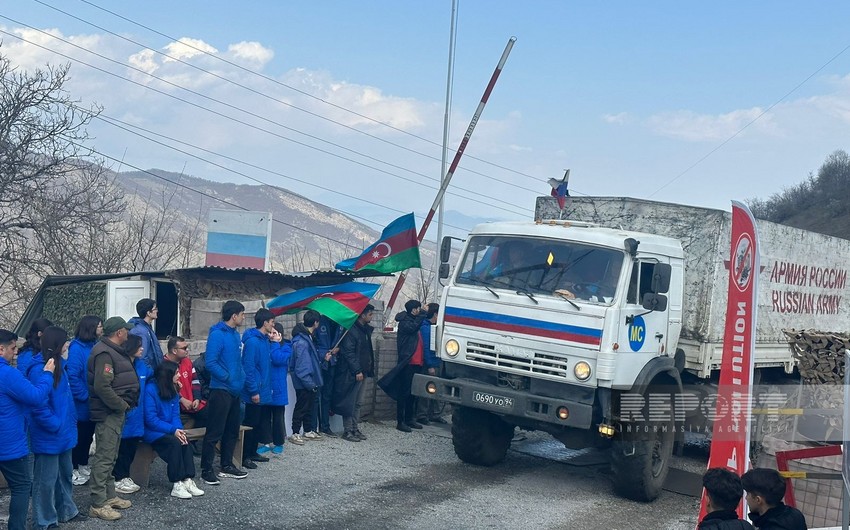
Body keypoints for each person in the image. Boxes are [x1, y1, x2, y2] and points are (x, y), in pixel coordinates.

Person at [27, 326, 86, 529]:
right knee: (46, 481)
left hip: (64, 433)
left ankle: (66, 511)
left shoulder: (61, 365)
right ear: (56, 345)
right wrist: (55, 424)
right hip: (50, 434)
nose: (68, 344)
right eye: (65, 341)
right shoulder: (39, 370)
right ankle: (44, 520)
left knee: (65, 475)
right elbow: (38, 405)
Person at [0, 329, 56, 530]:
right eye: (13, 348)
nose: (15, 353)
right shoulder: (7, 374)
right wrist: (47, 375)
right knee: (22, 486)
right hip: (9, 443)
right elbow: (35, 397)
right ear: (1, 349)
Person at [86, 316, 139, 521]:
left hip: (114, 412)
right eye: (126, 330)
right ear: (119, 333)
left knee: (111, 455)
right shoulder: (105, 353)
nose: (128, 333)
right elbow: (102, 386)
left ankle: (108, 496)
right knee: (104, 457)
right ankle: (98, 503)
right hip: (108, 412)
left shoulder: (112, 351)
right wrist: (121, 404)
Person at [200, 300, 248, 485]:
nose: (244, 317)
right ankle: (206, 469)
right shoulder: (218, 335)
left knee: (232, 430)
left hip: (236, 390)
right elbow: (210, 362)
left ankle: (227, 465)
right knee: (214, 431)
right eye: (242, 314)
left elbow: (238, 361)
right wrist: (227, 377)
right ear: (234, 315)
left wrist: (240, 378)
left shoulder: (236, 336)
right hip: (221, 389)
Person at [143, 361, 204, 499]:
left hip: (169, 429)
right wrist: (173, 430)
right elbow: (151, 419)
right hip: (153, 432)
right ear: (167, 375)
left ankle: (188, 479)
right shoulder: (150, 390)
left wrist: (179, 430)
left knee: (184, 440)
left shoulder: (174, 390)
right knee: (174, 444)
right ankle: (177, 483)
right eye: (176, 373)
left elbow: (176, 415)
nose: (179, 376)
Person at [240, 308, 281, 469]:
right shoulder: (252, 342)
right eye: (272, 322)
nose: (274, 325)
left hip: (262, 388)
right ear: (265, 323)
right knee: (250, 423)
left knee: (258, 423)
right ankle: (244, 456)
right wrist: (253, 390)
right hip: (255, 390)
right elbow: (249, 368)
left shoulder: (264, 340)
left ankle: (252, 452)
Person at [378, 300, 427, 433]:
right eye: (418, 309)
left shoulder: (414, 321)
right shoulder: (405, 322)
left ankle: (410, 418)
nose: (419, 311)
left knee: (413, 393)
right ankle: (401, 421)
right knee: (404, 392)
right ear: (413, 310)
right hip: (407, 362)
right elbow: (413, 327)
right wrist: (423, 314)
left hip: (417, 363)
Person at [112, 334, 150, 495]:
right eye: (139, 345)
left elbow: (153, 375)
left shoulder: (142, 365)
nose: (142, 348)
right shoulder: (120, 364)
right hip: (124, 412)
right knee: (120, 448)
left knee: (131, 447)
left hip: (138, 414)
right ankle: (117, 477)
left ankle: (125, 475)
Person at [67, 315, 102, 486]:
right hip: (82, 402)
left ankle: (82, 463)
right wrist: (84, 395)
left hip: (92, 401)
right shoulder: (76, 348)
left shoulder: (94, 345)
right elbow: (72, 375)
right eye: (99, 326)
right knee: (79, 436)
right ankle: (72, 467)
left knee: (88, 435)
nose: (101, 329)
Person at [334, 304, 375, 442]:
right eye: (370, 314)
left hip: (364, 371)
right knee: (350, 402)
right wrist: (356, 370)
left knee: (358, 402)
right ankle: (348, 430)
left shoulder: (365, 330)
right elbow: (349, 353)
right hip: (353, 373)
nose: (372, 316)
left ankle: (355, 428)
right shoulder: (351, 330)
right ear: (362, 315)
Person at [289, 309, 326, 445]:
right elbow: (302, 367)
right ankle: (295, 432)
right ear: (316, 323)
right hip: (305, 381)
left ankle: (308, 430)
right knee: (301, 407)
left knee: (308, 406)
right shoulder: (302, 342)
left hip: (309, 380)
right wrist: (310, 383)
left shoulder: (306, 338)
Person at [164, 336, 207, 430]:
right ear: (174, 351)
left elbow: (195, 381)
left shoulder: (187, 361)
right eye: (184, 348)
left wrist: (197, 398)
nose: (187, 350)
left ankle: (195, 442)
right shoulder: (163, 365)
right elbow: (165, 387)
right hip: (176, 406)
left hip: (193, 403)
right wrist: (181, 399)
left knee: (212, 415)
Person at [742, 468, 808, 530]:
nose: (746, 498)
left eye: (748, 494)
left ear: (758, 500)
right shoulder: (795, 514)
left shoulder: (770, 527)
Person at [416, 303, 446, 425]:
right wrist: (430, 365)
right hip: (431, 364)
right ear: (435, 314)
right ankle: (422, 415)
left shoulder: (433, 327)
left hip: (437, 362)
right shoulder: (426, 328)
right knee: (428, 390)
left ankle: (434, 414)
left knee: (436, 390)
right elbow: (426, 348)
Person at [263, 322, 291, 455]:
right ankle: (266, 442)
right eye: (270, 333)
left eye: (274, 333)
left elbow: (277, 359)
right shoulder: (265, 345)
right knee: (265, 417)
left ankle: (279, 442)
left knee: (278, 418)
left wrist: (275, 344)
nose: (271, 336)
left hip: (279, 388)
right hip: (266, 387)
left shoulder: (286, 348)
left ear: (280, 334)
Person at [314, 314, 342, 437]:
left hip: (333, 362)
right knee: (317, 395)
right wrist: (323, 355)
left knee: (327, 395)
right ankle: (314, 427)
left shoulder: (341, 321)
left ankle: (325, 426)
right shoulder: (319, 321)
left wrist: (338, 349)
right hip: (321, 361)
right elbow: (313, 344)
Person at [128, 298, 165, 371]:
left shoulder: (147, 327)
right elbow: (142, 356)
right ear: (148, 313)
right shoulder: (140, 331)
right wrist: (149, 372)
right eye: (155, 309)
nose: (157, 311)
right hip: (147, 374)